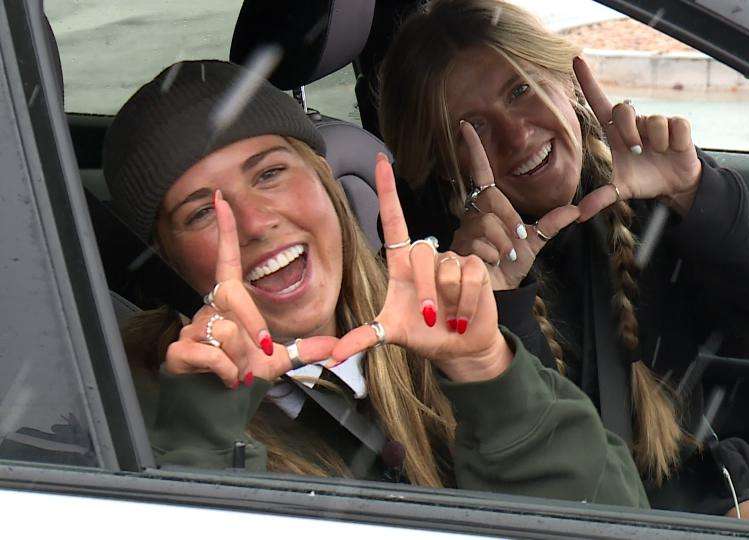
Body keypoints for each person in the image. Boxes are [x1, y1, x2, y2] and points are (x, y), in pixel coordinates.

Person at [376, 0, 749, 535]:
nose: (516, 134)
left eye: (521, 90)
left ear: (567, 81)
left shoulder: (626, 194)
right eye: (473, 128)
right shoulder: (446, 283)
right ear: (444, 163)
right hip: (649, 513)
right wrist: (502, 303)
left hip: (706, 470)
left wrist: (697, 193)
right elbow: (556, 484)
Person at [102, 59, 646, 507]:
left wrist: (487, 372)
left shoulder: (436, 319)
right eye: (201, 213)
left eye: (270, 174)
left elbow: (615, 518)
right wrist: (206, 441)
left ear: (326, 182)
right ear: (170, 259)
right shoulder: (130, 410)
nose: (254, 223)